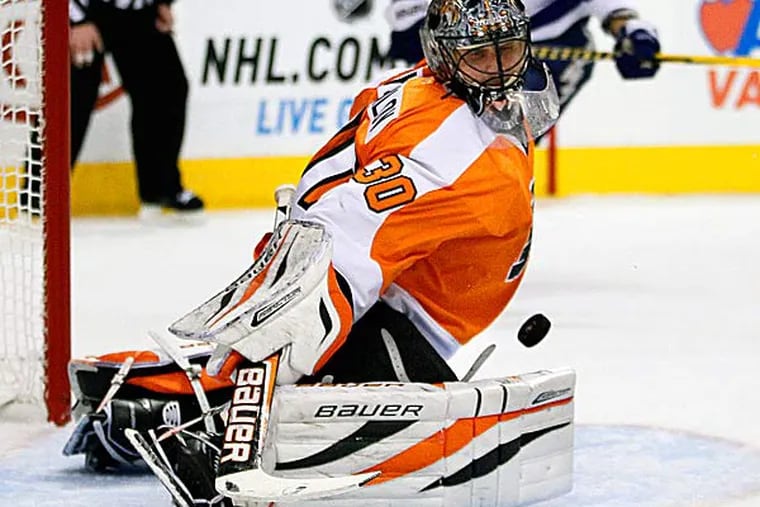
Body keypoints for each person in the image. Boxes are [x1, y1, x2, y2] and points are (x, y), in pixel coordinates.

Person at [63, 0, 565, 503]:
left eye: (508, 50)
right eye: (480, 55)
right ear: (444, 56)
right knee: (375, 426)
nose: (500, 72)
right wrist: (268, 356)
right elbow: (338, 251)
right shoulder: (446, 155)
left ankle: (141, 397)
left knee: (289, 354)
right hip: (373, 304)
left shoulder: (428, 88)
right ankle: (168, 418)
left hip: (362, 270)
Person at [337, 0, 661, 113]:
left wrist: (633, 31)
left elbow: (614, 9)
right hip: (460, 54)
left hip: (544, 54)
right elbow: (409, 26)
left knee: (502, 139)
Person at [68, 0, 203, 214]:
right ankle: (40, 196)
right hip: (85, 11)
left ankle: (160, 191)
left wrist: (162, 2)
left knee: (166, 88)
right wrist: (75, 19)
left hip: (139, 12)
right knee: (71, 99)